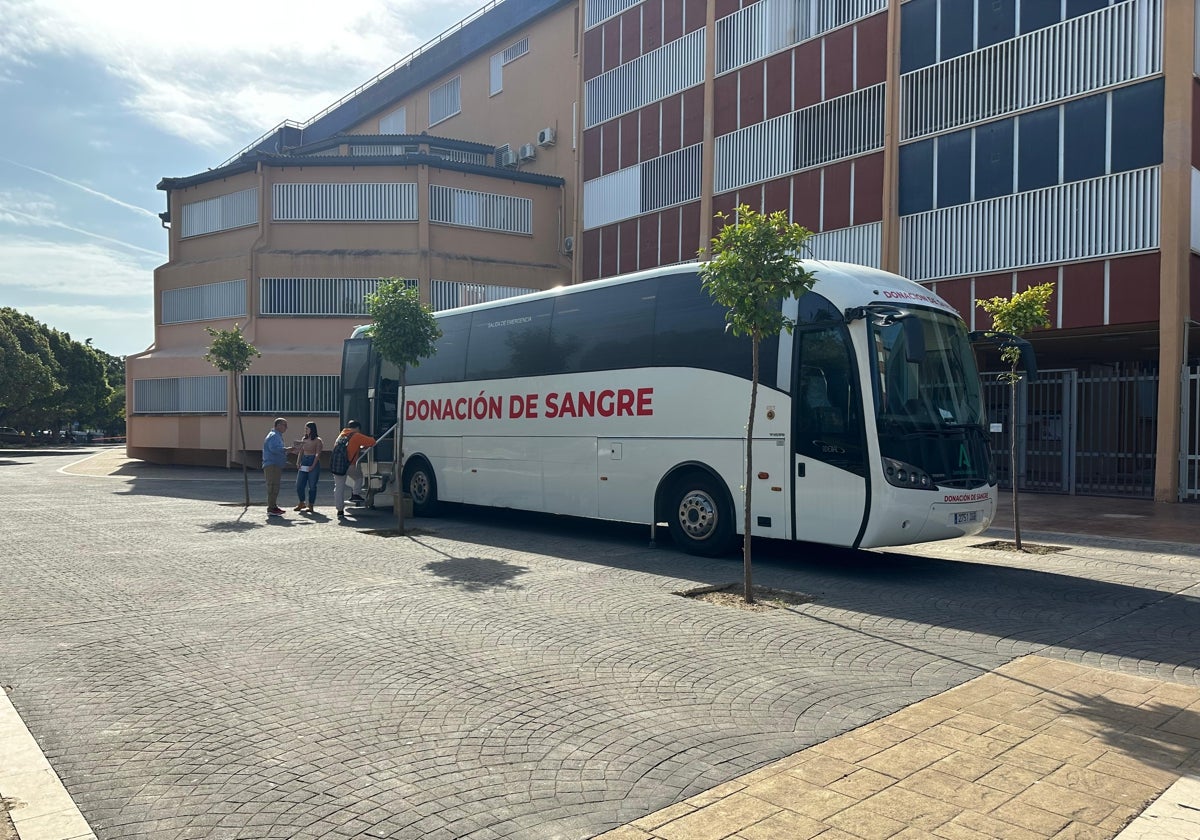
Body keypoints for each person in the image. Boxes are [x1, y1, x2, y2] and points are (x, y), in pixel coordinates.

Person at [332, 420, 376, 520]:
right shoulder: (356, 435)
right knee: (359, 477)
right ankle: (356, 494)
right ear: (357, 428)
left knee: (339, 487)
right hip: (349, 465)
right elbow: (372, 441)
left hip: (337, 464)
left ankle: (339, 510)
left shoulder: (342, 435)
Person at [292, 422, 324, 513]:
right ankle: (302, 502)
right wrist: (298, 462)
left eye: (307, 429)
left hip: (313, 460)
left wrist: (313, 466)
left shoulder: (318, 440)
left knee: (312, 485)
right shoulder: (304, 439)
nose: (305, 430)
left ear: (312, 429)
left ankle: (311, 505)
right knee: (299, 485)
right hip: (304, 461)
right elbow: (301, 451)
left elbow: (318, 454)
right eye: (305, 429)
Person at [262, 417, 289, 516]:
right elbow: (274, 449)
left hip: (276, 465)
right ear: (278, 425)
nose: (286, 428)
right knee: (272, 486)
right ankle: (271, 508)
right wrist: (287, 449)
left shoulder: (277, 436)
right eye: (284, 425)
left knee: (275, 486)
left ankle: (273, 506)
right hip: (272, 465)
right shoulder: (274, 436)